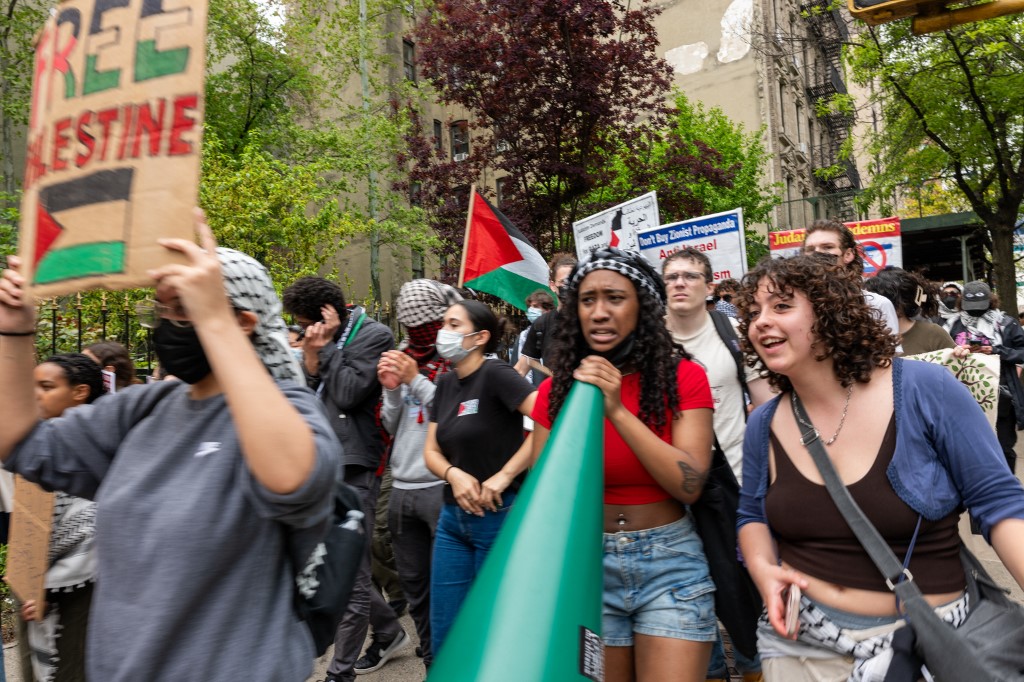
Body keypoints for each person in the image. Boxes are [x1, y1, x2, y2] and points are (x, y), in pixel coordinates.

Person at [0, 213, 341, 681]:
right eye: (162, 311)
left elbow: (293, 481)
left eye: (183, 310)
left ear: (242, 321)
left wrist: (213, 319)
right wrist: (15, 330)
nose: (165, 326)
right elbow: (21, 443)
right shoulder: (145, 407)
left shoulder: (288, 409)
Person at [735, 253, 1024, 681]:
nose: (760, 321)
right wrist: (762, 568)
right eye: (753, 312)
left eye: (780, 306)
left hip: (928, 646)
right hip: (799, 650)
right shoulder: (762, 424)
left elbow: (999, 503)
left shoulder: (926, 390)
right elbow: (752, 514)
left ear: (830, 313)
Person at [531, 247, 716, 682]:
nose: (598, 312)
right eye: (587, 299)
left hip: (669, 564)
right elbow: (545, 500)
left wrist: (616, 410)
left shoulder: (685, 378)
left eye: (614, 298)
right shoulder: (555, 393)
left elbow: (689, 485)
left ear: (643, 308)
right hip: (587, 569)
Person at [281, 276, 406, 681]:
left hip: (357, 463)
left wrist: (327, 347)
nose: (301, 329)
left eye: (303, 321)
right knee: (334, 560)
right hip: (319, 459)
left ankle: (340, 673)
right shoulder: (320, 342)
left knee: (352, 576)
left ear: (326, 316)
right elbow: (313, 388)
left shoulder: (375, 334)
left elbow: (351, 392)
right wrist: (314, 357)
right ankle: (387, 630)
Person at [662, 248, 771, 682]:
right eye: (671, 276)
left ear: (709, 287)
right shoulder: (649, 338)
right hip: (669, 480)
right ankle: (706, 671)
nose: (679, 283)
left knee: (736, 584)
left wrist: (772, 474)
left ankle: (752, 664)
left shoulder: (734, 333)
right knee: (680, 584)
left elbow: (764, 406)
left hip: (733, 479)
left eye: (690, 275)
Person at [423, 300, 537, 654]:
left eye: (453, 324)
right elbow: (430, 452)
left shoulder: (497, 374)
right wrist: (453, 474)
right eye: (444, 323)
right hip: (452, 522)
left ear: (480, 336)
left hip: (498, 517)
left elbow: (548, 423)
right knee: (446, 633)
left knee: (497, 629)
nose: (443, 331)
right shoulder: (444, 383)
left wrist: (504, 475)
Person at [378, 279, 462, 673]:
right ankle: (432, 662)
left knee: (448, 587)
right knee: (416, 590)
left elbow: (450, 412)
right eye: (409, 328)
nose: (416, 335)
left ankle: (457, 659)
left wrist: (415, 379)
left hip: (440, 486)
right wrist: (393, 389)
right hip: (402, 488)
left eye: (422, 325)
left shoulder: (456, 357)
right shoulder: (403, 355)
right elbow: (391, 424)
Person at [19, 353, 104, 682]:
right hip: (44, 593)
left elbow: (95, 525)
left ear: (80, 391)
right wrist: (32, 586)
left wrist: (47, 588)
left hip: (90, 594)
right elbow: (29, 524)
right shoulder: (37, 442)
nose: (35, 394)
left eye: (46, 386)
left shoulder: (101, 440)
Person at [944, 280, 1024, 474]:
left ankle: (1006, 492)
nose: (975, 312)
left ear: (991, 301)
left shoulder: (1006, 323)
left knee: (1003, 449)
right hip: (963, 397)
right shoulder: (951, 325)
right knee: (969, 451)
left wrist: (998, 350)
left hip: (1001, 398)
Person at [802, 219, 901, 352]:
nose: (817, 253)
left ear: (848, 255)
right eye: (810, 249)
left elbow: (889, 362)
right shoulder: (793, 306)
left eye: (827, 247)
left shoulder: (877, 305)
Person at [862, 267, 955, 356]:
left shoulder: (933, 334)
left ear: (902, 303)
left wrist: (959, 354)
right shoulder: (865, 339)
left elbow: (957, 367)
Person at [521, 252, 577, 378]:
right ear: (552, 285)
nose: (568, 286)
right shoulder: (541, 325)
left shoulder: (591, 320)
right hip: (555, 394)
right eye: (563, 281)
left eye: (573, 280)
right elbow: (520, 370)